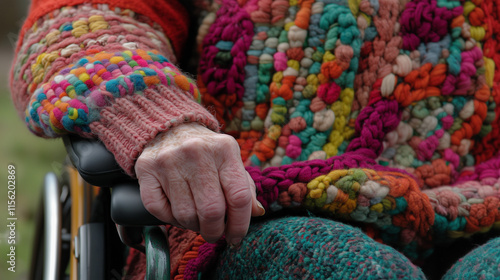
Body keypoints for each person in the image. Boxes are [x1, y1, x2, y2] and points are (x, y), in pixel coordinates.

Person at [10, 0, 500, 279]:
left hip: (484, 213)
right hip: (247, 211)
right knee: (338, 265)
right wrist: (160, 120)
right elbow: (78, 23)